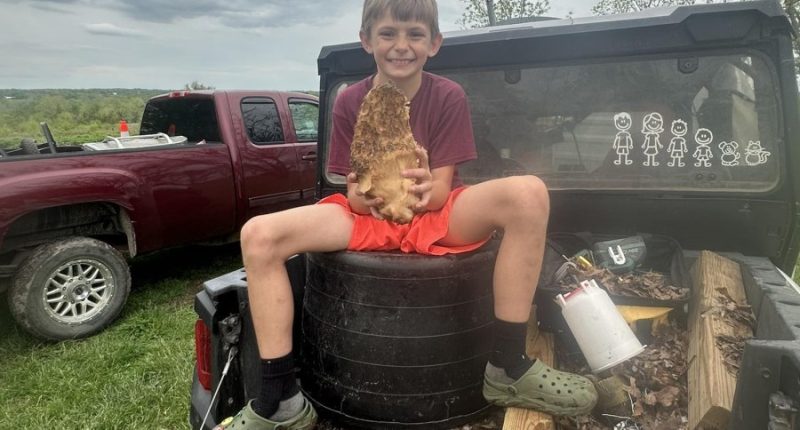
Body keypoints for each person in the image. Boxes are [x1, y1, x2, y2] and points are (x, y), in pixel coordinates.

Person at [216, 1, 597, 428]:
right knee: (258, 235)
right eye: (388, 34)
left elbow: (439, 190)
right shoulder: (350, 102)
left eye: (415, 34)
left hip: (434, 215)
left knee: (529, 193)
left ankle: (508, 365)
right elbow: (355, 194)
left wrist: (418, 185)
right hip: (367, 218)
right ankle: (280, 398)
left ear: (434, 43)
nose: (402, 46)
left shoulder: (447, 96)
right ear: (367, 40)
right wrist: (373, 194)